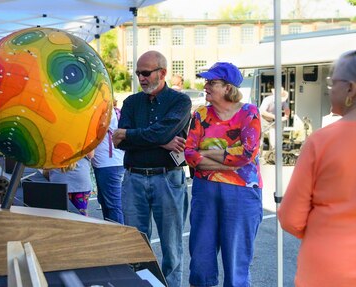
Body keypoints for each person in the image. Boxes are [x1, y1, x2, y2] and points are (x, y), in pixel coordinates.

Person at [112, 50, 192, 287]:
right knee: (134, 244)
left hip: (167, 178)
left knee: (171, 245)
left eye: (146, 73)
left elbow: (132, 136)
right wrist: (161, 140)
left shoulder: (180, 101)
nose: (141, 78)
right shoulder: (131, 102)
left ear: (162, 72)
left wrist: (134, 135)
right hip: (133, 177)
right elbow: (120, 141)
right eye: (138, 73)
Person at [278, 50, 356, 287]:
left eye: (333, 83)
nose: (330, 89)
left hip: (330, 264)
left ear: (351, 89)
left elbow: (291, 217)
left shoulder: (322, 141)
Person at [184, 62, 263, 287]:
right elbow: (189, 154)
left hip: (241, 194)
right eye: (206, 82)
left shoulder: (249, 112)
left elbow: (247, 153)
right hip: (205, 192)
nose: (206, 86)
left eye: (212, 82)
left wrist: (205, 155)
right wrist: (229, 164)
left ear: (228, 88)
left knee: (236, 263)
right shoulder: (200, 114)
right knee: (200, 262)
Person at [91, 107, 125, 223]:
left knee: (113, 205)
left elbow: (96, 130)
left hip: (109, 164)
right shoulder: (109, 109)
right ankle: (113, 234)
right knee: (106, 203)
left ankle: (119, 237)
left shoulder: (105, 110)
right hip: (107, 163)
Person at [48, 151, 94, 216]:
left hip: (59, 178)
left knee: (60, 216)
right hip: (80, 178)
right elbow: (90, 155)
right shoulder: (82, 139)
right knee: (81, 218)